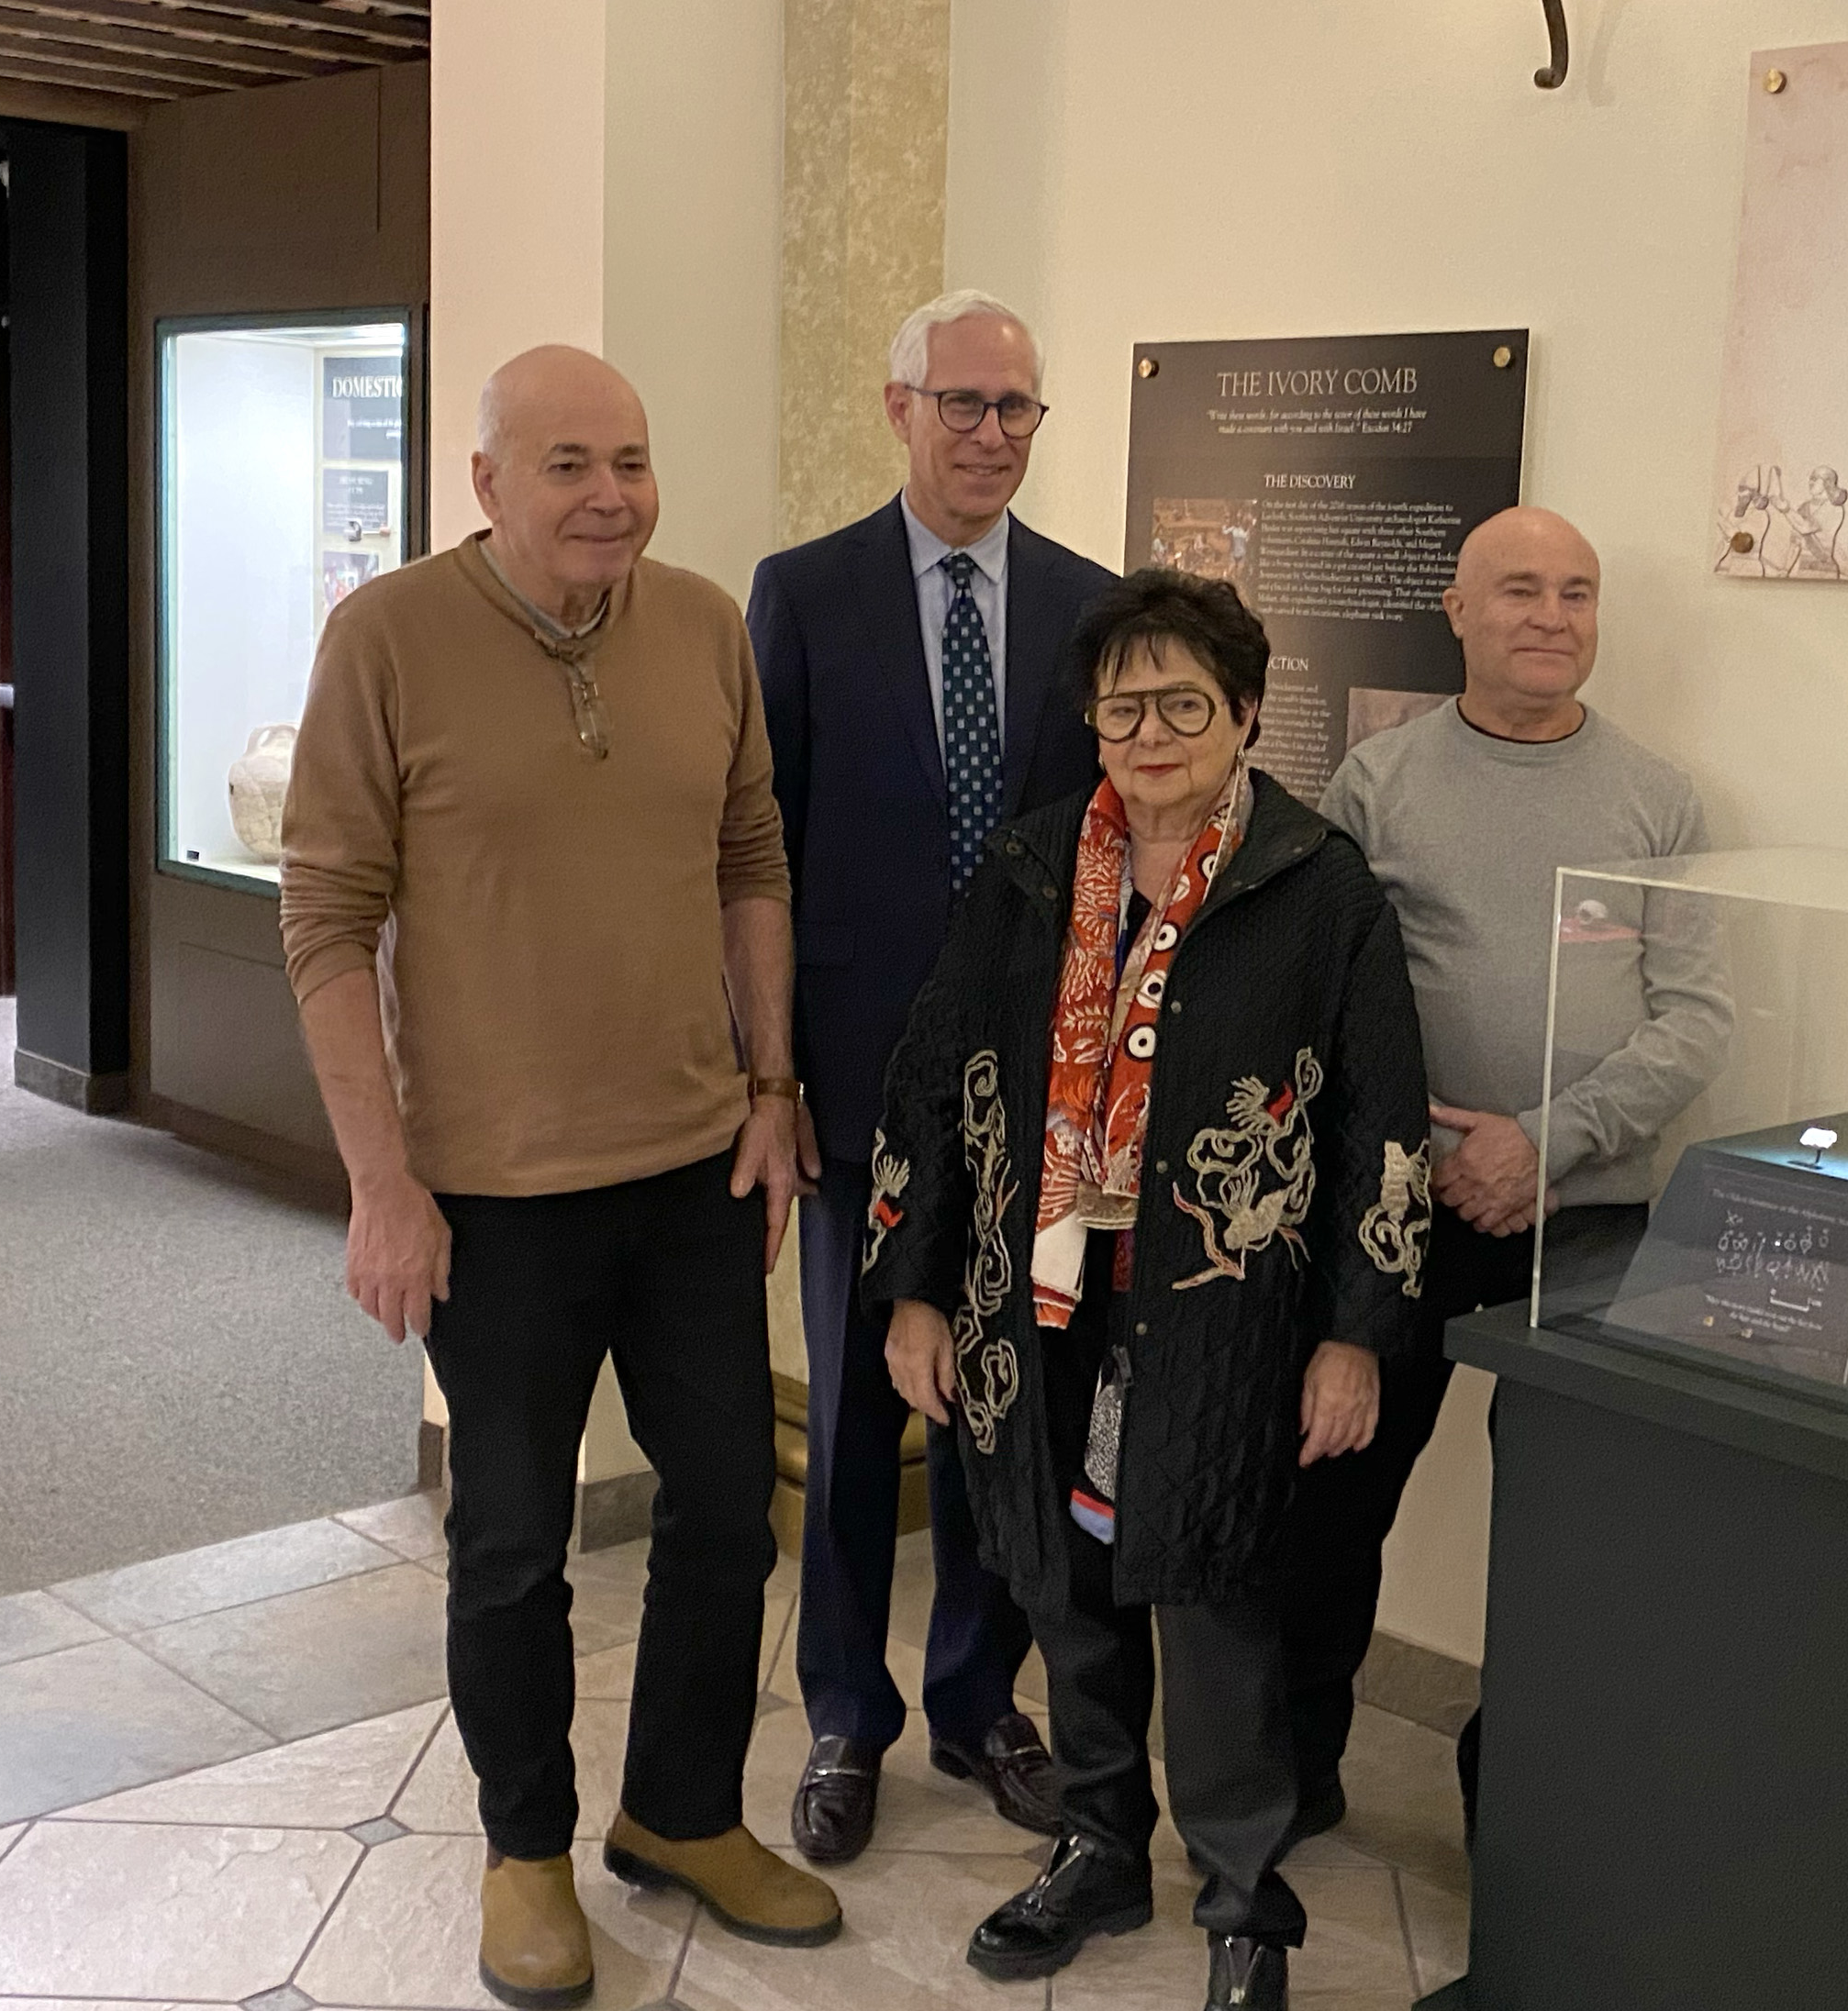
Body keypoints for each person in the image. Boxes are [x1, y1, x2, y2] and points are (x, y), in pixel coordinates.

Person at [281, 345, 841, 2009]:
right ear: (486, 484)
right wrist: (384, 1185)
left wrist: (771, 1087)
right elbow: (323, 922)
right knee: (513, 1543)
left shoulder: (703, 626)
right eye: (570, 465)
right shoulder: (384, 641)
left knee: (731, 1514)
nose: (612, 495)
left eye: (635, 462)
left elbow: (751, 859)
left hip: (691, 1170)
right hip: (494, 1199)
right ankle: (525, 1851)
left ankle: (679, 1815)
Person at [863, 571, 1431, 2011]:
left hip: (1227, 1308)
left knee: (1217, 1590)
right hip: (1037, 1295)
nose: (1154, 728)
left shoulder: (1318, 884)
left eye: (1187, 700)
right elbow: (938, 1079)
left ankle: (1245, 1891)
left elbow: (1382, 1125)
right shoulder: (1032, 868)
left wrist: (1358, 1338)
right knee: (1066, 1585)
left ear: (1245, 713)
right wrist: (917, 1292)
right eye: (1126, 704)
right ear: (1096, 725)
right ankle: (1102, 1845)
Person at [750, 288, 1117, 1863]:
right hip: (855, 1081)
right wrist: (776, 1074)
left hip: (1033, 1089)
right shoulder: (804, 592)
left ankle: (976, 1699)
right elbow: (758, 846)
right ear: (895, 407)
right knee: (850, 1412)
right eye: (961, 403)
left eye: (1016, 410)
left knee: (1004, 1408)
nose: (989, 436)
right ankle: (847, 1710)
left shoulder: (1094, 606)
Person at [1308, 505, 1733, 1837]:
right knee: (1333, 1498)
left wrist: (1542, 1142)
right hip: (1404, 1213)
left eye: (1578, 592)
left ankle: (1520, 1809)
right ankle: (1289, 1769)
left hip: (1592, 1218)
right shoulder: (1378, 782)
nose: (1552, 616)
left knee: (1567, 1540)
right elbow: (1322, 1006)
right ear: (1456, 610)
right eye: (1519, 590)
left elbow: (1696, 1020)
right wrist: (1449, 1150)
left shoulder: (1660, 799)